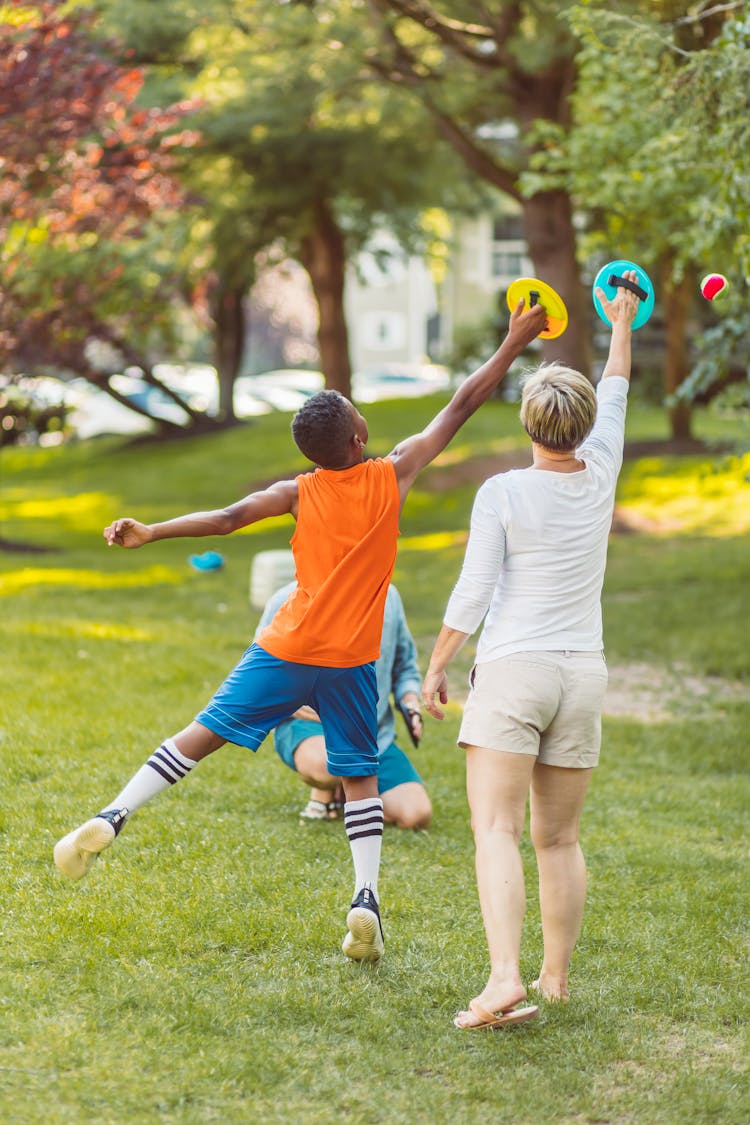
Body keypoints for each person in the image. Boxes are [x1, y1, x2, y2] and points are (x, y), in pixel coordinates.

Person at [53, 296, 545, 965]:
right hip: (349, 661)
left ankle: (114, 813)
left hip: (285, 644)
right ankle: (364, 896)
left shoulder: (298, 491)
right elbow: (461, 403)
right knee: (361, 777)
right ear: (360, 436)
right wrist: (515, 340)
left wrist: (153, 529)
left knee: (199, 734)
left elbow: (228, 517)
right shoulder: (391, 473)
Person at [422, 274, 640, 1027]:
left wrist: (439, 660)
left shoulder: (504, 493)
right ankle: (556, 976)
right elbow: (616, 387)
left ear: (529, 423)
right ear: (579, 426)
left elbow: (474, 592)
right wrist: (621, 318)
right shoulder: (603, 470)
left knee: (496, 830)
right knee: (560, 836)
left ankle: (505, 978)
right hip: (582, 675)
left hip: (514, 673)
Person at [257, 579, 431, 829]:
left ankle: (347, 793)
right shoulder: (287, 597)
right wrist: (292, 703)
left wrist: (410, 701)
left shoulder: (388, 596)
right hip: (310, 725)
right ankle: (329, 790)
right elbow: (259, 673)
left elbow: (405, 667)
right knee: (327, 766)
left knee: (416, 815)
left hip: (370, 736)